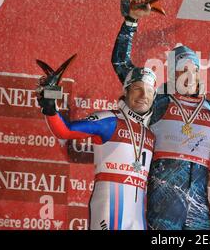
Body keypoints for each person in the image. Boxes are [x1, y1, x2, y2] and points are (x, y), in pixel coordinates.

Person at [111, 0, 210, 230]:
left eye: (192, 70)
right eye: (181, 70)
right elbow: (121, 65)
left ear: (198, 73)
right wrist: (131, 21)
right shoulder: (158, 101)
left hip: (198, 204)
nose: (188, 75)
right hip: (163, 203)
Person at [37, 66, 157, 230]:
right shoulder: (109, 120)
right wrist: (50, 102)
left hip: (137, 214)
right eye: (137, 89)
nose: (144, 96)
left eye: (149, 91)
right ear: (126, 91)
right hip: (110, 205)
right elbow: (64, 131)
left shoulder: (151, 133)